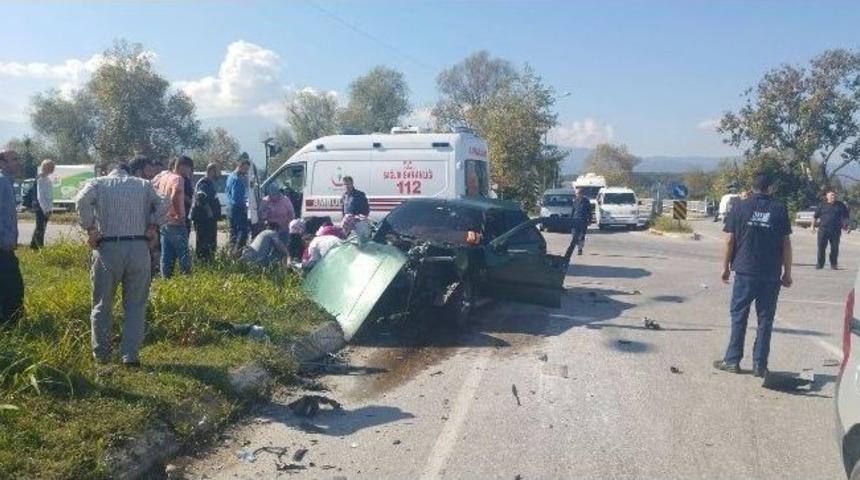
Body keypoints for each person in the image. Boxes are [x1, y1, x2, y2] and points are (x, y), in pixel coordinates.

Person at [74, 160, 167, 366]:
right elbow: (164, 202)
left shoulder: (98, 183)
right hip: (139, 247)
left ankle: (102, 354)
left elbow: (81, 200)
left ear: (108, 170)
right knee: (136, 305)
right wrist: (153, 225)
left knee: (102, 304)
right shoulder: (144, 184)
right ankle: (130, 356)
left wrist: (90, 228)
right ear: (129, 171)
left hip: (108, 247)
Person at [714, 174, 793, 378]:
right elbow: (786, 243)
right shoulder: (779, 209)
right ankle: (760, 365)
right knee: (765, 318)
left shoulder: (740, 207)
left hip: (745, 270)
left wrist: (725, 267)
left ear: (752, 187)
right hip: (771, 272)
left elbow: (729, 240)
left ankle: (732, 360)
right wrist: (787, 272)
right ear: (770, 188)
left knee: (739, 314)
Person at [152, 155, 194, 278]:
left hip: (164, 221)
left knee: (166, 254)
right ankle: (187, 280)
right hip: (176, 222)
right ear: (182, 166)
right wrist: (179, 215)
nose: (189, 172)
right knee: (183, 254)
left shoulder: (164, 177)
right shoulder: (178, 179)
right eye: (189, 168)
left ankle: (166, 280)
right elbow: (176, 195)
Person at [0, 150, 24, 326]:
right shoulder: (2, 181)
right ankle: (10, 323)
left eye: (17, 158)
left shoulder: (6, 181)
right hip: (2, 246)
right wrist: (4, 239)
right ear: (2, 163)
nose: (18, 162)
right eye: (13, 159)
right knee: (13, 286)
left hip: (5, 245)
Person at [191, 163, 222, 262]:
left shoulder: (210, 183)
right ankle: (203, 263)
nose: (220, 173)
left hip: (209, 220)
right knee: (204, 243)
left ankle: (209, 261)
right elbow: (201, 198)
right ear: (212, 171)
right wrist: (209, 211)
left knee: (211, 243)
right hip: (204, 220)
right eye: (218, 170)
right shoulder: (204, 183)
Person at [813, 190, 850, 270]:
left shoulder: (840, 205)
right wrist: (812, 227)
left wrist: (846, 226)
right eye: (832, 195)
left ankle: (833, 264)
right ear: (827, 196)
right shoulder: (822, 205)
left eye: (835, 195)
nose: (833, 196)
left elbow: (846, 217)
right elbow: (815, 217)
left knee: (835, 248)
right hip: (823, 230)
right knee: (821, 247)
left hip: (836, 230)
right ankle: (820, 264)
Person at [226, 158, 251, 251]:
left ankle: (231, 252)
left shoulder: (230, 176)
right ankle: (238, 253)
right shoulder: (238, 180)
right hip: (238, 209)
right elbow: (237, 199)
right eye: (245, 169)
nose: (246, 171)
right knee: (242, 232)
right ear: (240, 166)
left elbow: (228, 192)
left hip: (230, 208)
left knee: (233, 233)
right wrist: (244, 208)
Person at [30, 159, 55, 250]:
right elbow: (40, 197)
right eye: (51, 167)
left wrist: (50, 208)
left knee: (40, 227)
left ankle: (34, 246)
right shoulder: (41, 178)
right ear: (45, 167)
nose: (53, 169)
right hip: (41, 207)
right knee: (41, 227)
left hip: (44, 207)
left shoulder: (46, 178)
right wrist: (46, 210)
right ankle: (38, 247)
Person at [564, 187, 593, 258]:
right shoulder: (575, 201)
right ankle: (578, 245)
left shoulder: (586, 201)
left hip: (583, 220)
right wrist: (570, 220)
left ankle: (580, 248)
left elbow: (589, 211)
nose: (576, 194)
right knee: (574, 234)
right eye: (576, 193)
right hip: (575, 220)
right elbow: (572, 211)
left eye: (577, 193)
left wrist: (590, 220)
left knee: (582, 235)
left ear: (581, 194)